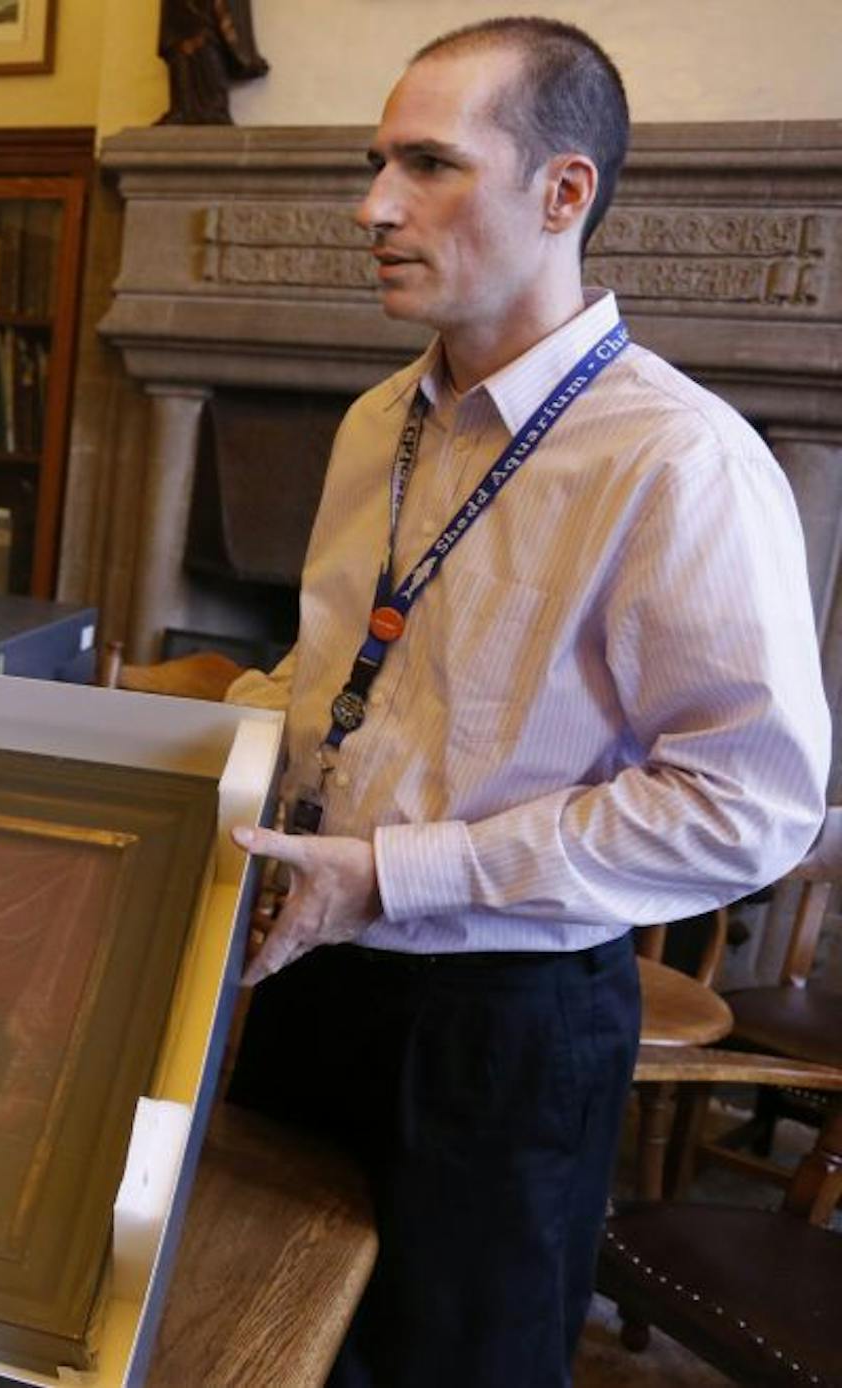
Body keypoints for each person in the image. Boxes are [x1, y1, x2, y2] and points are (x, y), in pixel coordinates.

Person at [206, 18, 828, 1387]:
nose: (372, 206)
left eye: (429, 165)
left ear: (563, 195)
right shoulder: (380, 419)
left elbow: (750, 808)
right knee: (262, 1339)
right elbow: (350, 684)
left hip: (505, 1027)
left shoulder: (684, 463)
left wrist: (404, 873)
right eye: (377, 163)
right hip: (316, 970)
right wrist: (180, 747)